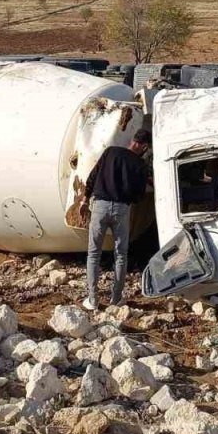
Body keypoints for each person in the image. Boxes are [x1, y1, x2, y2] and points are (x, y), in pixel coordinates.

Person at [81, 128, 152, 310]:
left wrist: (84, 199)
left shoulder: (111, 152)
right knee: (121, 255)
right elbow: (139, 195)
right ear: (144, 147)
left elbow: (93, 176)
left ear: (133, 139)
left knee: (94, 253)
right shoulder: (140, 165)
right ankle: (116, 298)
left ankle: (93, 300)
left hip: (100, 206)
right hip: (122, 209)